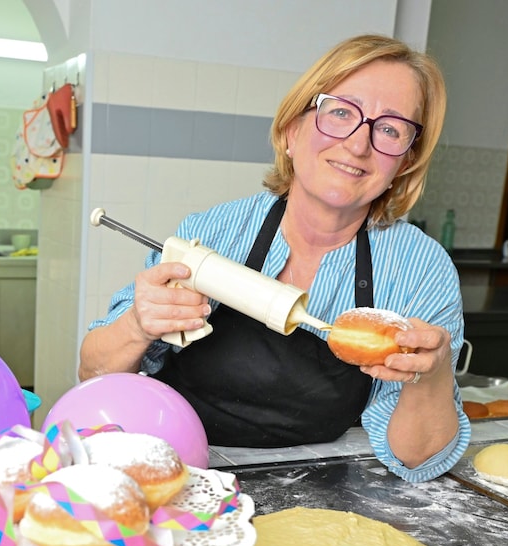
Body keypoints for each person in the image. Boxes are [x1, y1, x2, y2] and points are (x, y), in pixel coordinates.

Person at [79, 34, 469, 482]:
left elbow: (418, 459)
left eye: (389, 129)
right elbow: (92, 371)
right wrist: (136, 325)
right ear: (291, 132)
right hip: (177, 474)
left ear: (403, 162)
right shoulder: (210, 234)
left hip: (316, 486)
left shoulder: (421, 269)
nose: (359, 145)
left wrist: (432, 374)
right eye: (341, 112)